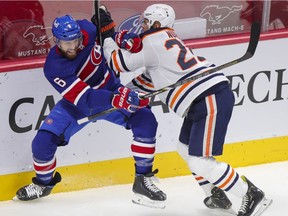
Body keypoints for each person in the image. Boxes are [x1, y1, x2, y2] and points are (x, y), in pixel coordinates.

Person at [103, 3, 271, 216]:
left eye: (145, 21)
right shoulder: (164, 42)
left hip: (208, 97)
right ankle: (215, 192)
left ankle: (251, 194)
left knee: (199, 161)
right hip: (202, 99)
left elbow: (120, 63)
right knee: (184, 148)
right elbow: (148, 80)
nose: (142, 26)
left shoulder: (153, 41)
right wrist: (116, 97)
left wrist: (107, 37)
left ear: (156, 23)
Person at [14, 10, 167, 209]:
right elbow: (84, 99)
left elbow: (108, 37)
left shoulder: (86, 29)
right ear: (56, 41)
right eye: (66, 43)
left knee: (146, 120)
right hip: (77, 105)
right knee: (42, 143)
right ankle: (44, 184)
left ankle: (142, 179)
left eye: (75, 41)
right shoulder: (54, 67)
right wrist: (115, 99)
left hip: (111, 90)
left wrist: (113, 31)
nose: (72, 47)